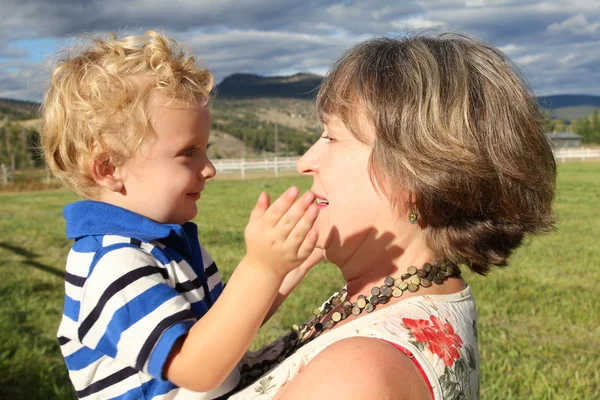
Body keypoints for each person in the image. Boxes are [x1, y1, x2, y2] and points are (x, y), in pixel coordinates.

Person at [230, 33, 556, 399]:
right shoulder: (410, 295)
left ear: (415, 173)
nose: (305, 162)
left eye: (331, 138)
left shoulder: (354, 377)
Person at [41, 31, 323, 399]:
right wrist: (261, 268)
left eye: (205, 150)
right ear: (109, 167)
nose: (209, 169)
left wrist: (293, 262)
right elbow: (196, 369)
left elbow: (226, 327)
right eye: (189, 152)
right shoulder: (114, 264)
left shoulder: (164, 243)